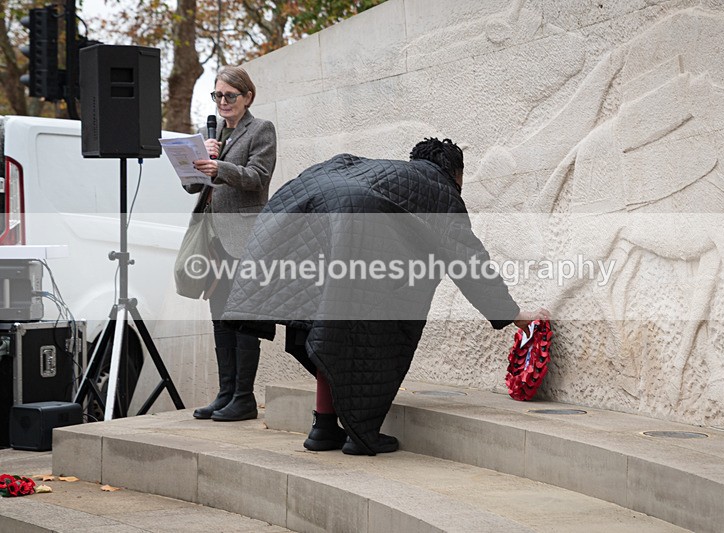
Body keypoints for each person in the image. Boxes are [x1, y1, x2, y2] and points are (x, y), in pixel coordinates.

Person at [223, 138, 546, 453]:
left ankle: (323, 428)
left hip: (299, 216)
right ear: (455, 173)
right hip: (350, 231)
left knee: (325, 328)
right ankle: (361, 435)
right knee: (375, 336)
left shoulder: (373, 169)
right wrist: (514, 315)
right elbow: (469, 260)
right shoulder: (441, 189)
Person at [187, 65, 277, 421]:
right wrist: (197, 163)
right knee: (219, 317)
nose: (222, 102)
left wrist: (218, 167)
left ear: (247, 97)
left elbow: (258, 178)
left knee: (243, 318)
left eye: (229, 95)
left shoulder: (261, 130)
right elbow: (193, 187)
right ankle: (225, 394)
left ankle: (244, 397)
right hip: (212, 237)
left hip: (245, 237)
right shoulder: (210, 136)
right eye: (217, 95)